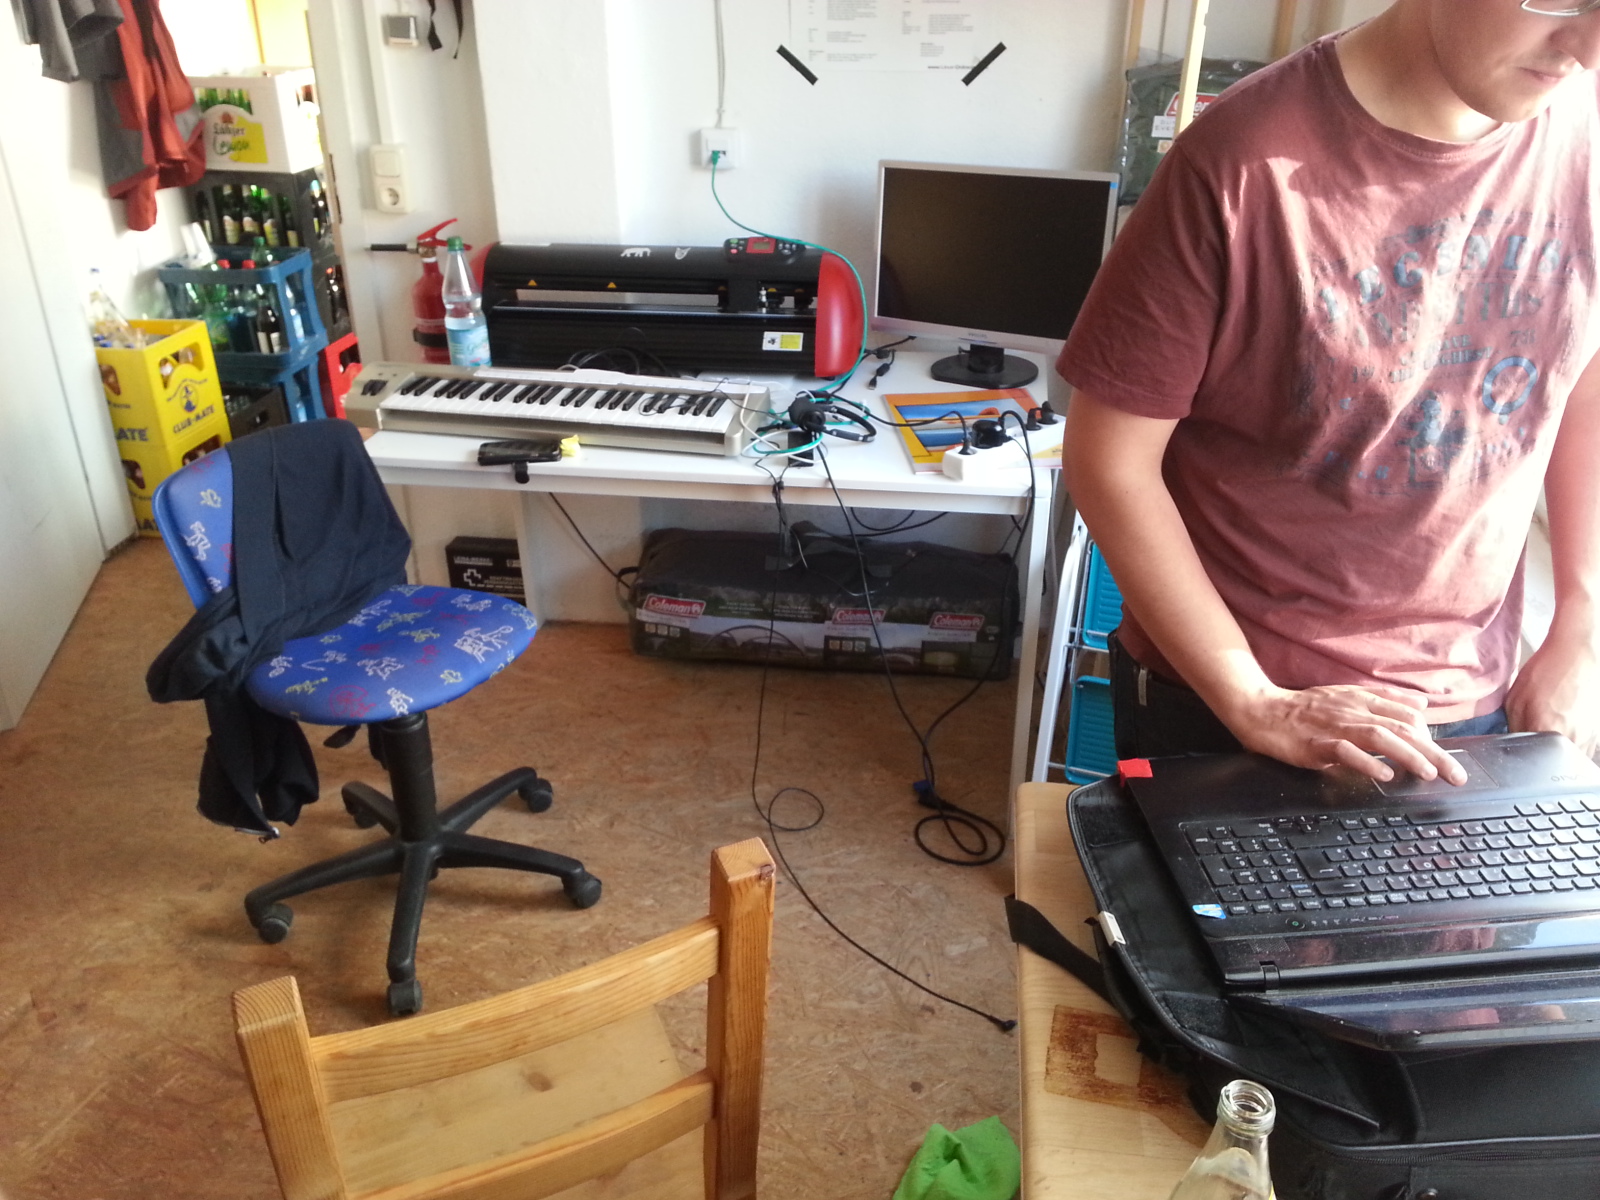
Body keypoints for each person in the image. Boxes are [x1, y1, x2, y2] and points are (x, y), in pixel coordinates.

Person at [1058, 0, 1600, 786]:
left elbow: (1580, 377)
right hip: (1235, 700)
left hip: (1471, 697)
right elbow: (1110, 459)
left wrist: (1581, 621)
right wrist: (1253, 700)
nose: (1588, 45)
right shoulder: (1241, 159)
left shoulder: (1584, 129)